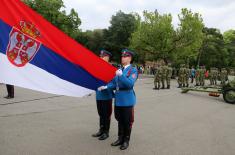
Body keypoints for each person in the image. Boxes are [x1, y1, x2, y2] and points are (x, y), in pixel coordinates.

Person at [98, 49, 138, 150]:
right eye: (122, 56)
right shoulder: (120, 69)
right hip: (118, 99)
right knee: (119, 119)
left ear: (130, 58)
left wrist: (121, 75)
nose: (122, 58)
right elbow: (113, 83)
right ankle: (120, 138)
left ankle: (126, 140)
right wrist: (106, 87)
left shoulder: (132, 70)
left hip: (127, 100)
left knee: (127, 121)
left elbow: (129, 83)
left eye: (125, 56)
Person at [92, 50, 113, 140]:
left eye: (103, 56)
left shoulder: (111, 68)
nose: (101, 58)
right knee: (100, 113)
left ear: (107, 57)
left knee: (106, 114)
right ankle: (101, 129)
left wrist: (106, 87)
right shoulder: (97, 67)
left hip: (106, 95)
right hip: (99, 95)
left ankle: (106, 132)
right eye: (100, 56)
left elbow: (113, 82)